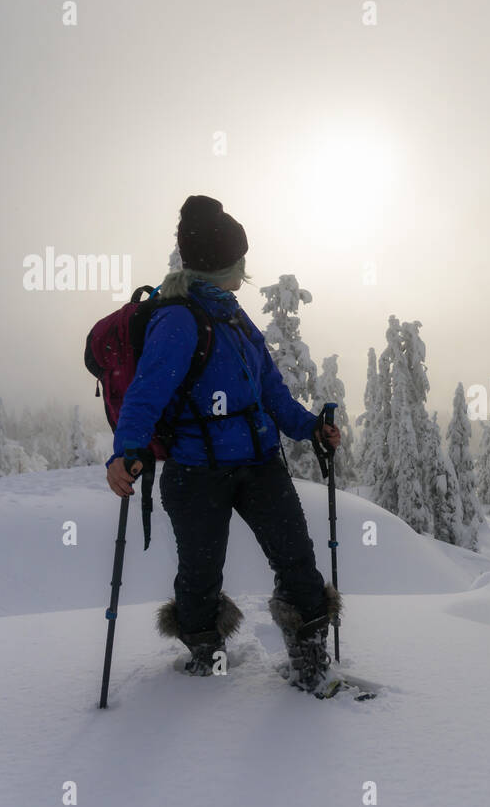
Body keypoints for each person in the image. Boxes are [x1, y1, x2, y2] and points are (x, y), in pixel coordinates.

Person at [106, 195, 342, 692]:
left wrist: (309, 428)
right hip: (196, 474)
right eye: (239, 260)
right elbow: (146, 395)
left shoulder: (235, 317)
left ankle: (311, 665)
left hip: (260, 465)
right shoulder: (178, 320)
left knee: (297, 559)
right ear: (220, 264)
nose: (245, 269)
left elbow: (272, 391)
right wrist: (126, 452)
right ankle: (204, 666)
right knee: (200, 575)